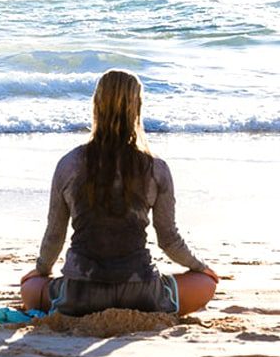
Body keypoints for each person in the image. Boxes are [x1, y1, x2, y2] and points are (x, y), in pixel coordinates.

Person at [20, 69, 218, 317]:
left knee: (29, 287)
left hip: (79, 293)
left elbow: (55, 235)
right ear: (137, 107)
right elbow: (168, 240)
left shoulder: (69, 164)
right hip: (140, 292)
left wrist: (41, 270)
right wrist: (200, 267)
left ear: (96, 105)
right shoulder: (155, 168)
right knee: (206, 283)